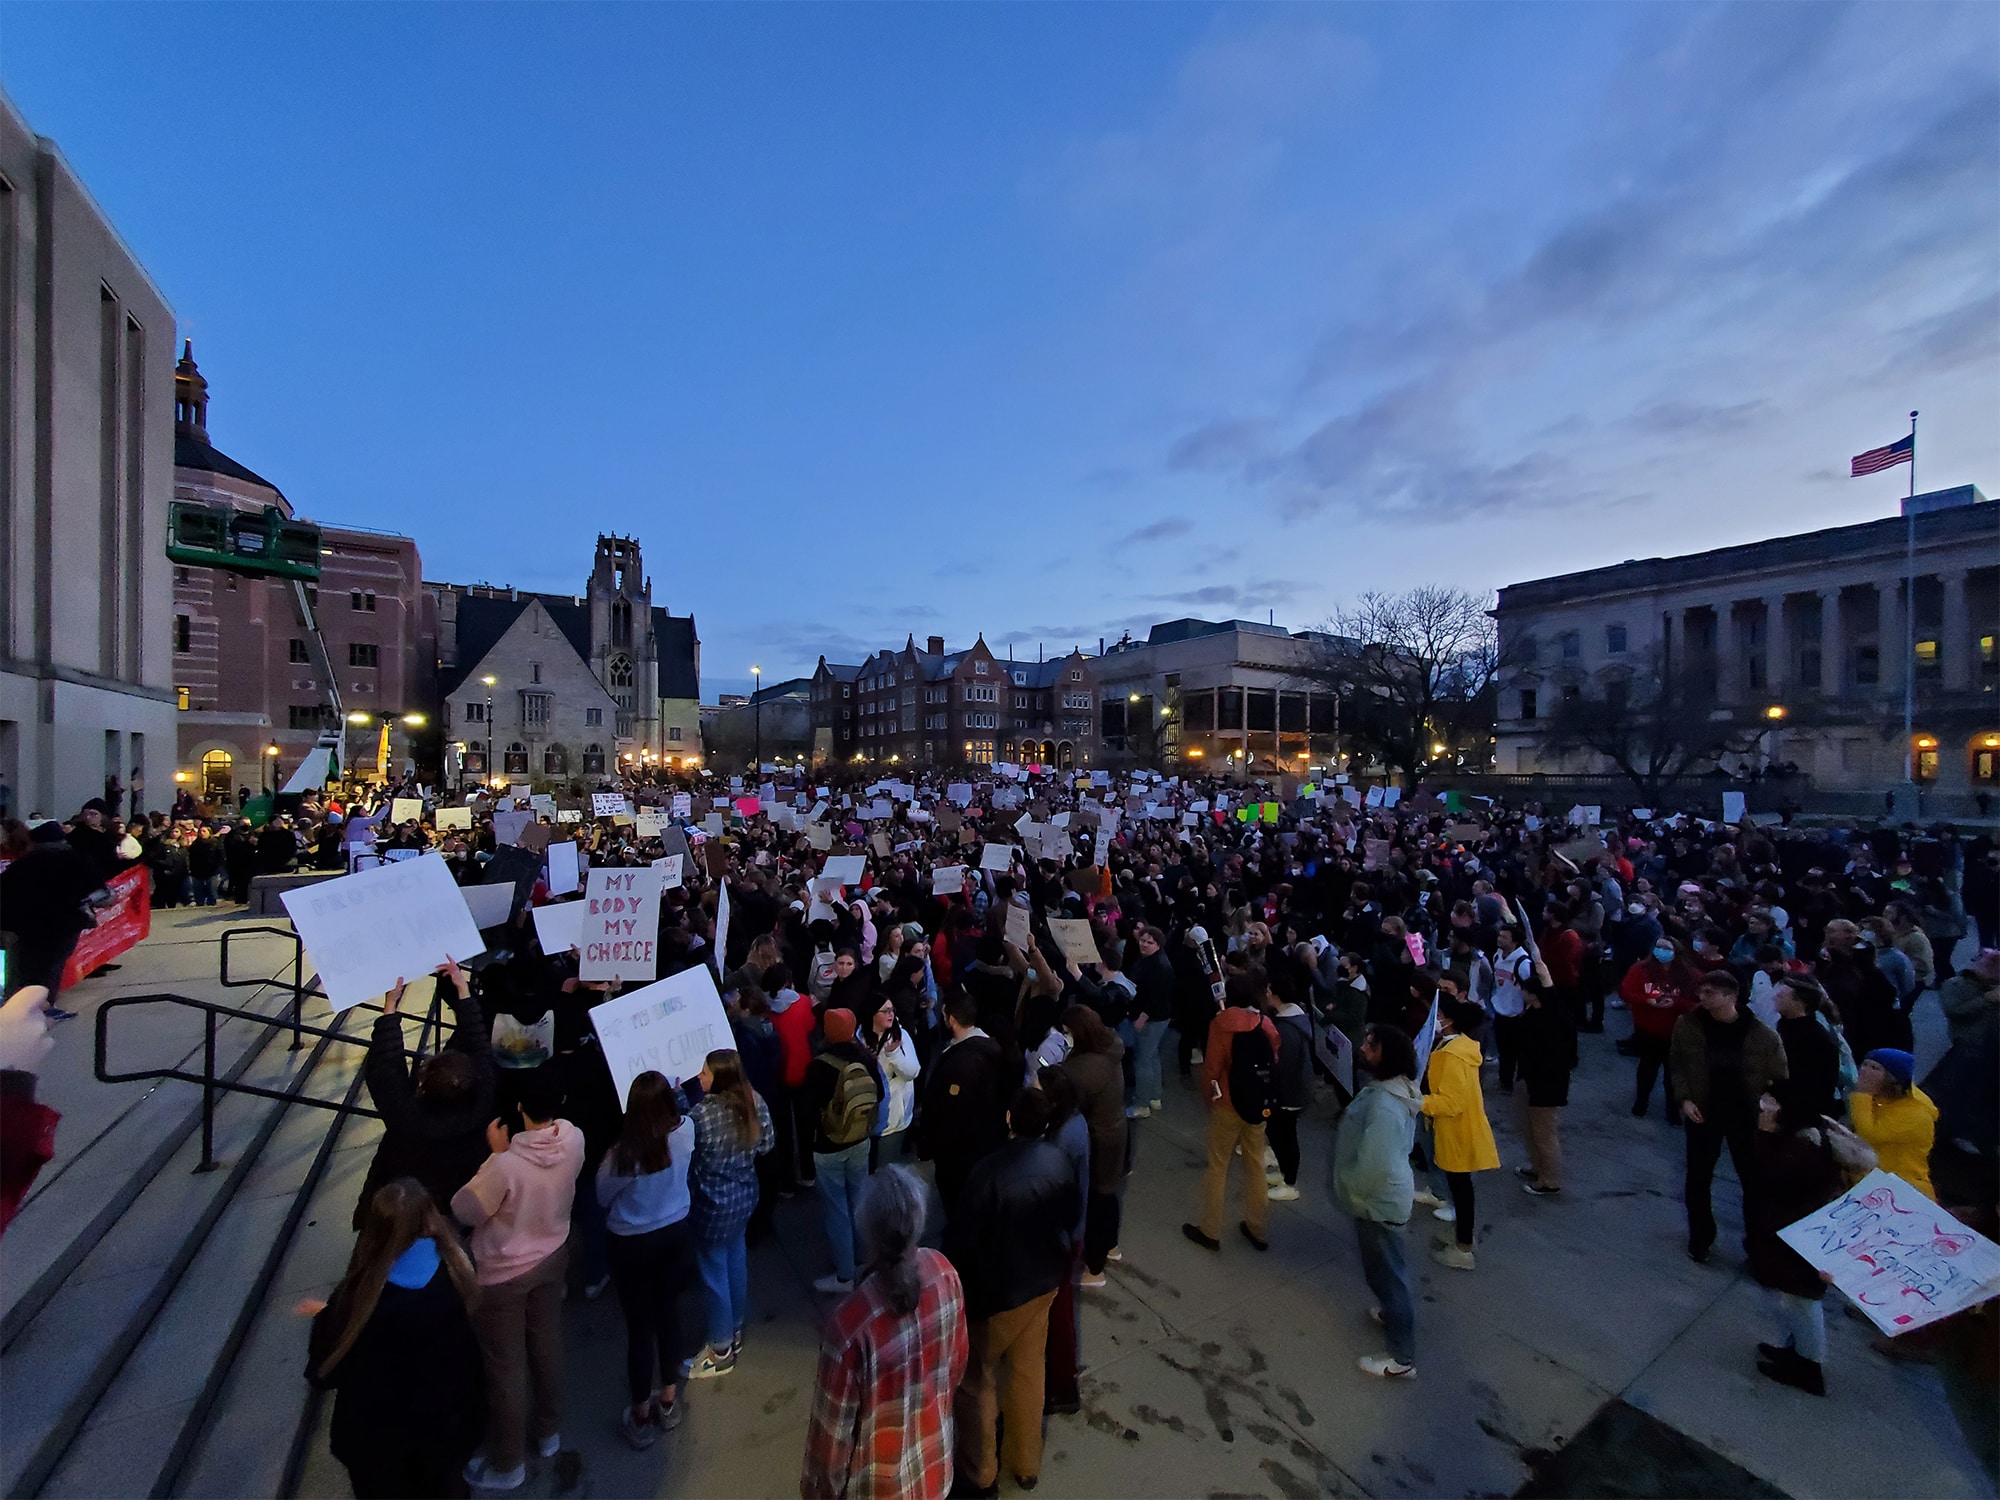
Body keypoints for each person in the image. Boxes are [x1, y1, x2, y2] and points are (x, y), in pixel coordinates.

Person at [305, 1178, 486, 1498]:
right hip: (444, 1426)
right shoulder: (458, 1270)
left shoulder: (358, 1299)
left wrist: (324, 1316)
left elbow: (325, 1371)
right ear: (430, 1219)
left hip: (379, 1441)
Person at [451, 1066, 586, 1491]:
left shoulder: (505, 1166)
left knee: (505, 1365)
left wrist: (496, 1153)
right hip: (553, 1253)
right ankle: (548, 1432)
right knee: (546, 1342)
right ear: (560, 1104)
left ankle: (508, 1462)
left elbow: (464, 1210)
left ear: (520, 1108)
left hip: (504, 1273)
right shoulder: (575, 1138)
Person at [944, 1087, 1081, 1498]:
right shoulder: (1058, 1161)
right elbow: (1070, 1217)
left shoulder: (989, 1172)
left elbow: (962, 1241)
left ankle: (981, 1470)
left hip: (998, 1294)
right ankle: (1026, 1462)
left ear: (1009, 1119)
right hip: (1043, 1284)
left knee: (978, 1379)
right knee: (1028, 1370)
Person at [801, 1165, 967, 1500]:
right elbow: (956, 1368)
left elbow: (831, 1438)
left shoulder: (850, 1326)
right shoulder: (945, 1273)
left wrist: (819, 1492)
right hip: (936, 1468)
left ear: (868, 1232)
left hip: (878, 1486)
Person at [594, 1070, 696, 1446]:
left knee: (640, 1328)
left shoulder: (623, 1154)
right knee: (669, 1315)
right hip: (676, 1233)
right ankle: (669, 1400)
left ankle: (640, 1414)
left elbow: (603, 1196)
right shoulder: (685, 1132)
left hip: (632, 1243)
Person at [356, 961, 494, 1228]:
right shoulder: (482, 1102)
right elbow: (481, 1048)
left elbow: (386, 1071)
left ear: (424, 1084)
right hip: (459, 1194)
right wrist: (463, 992)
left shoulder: (408, 1117)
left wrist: (390, 1008)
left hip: (411, 1199)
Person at [1670, 971, 1787, 1265]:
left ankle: (1756, 1244)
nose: (1703, 998)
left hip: (1744, 1116)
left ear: (1730, 996)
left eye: (1710, 993)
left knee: (1752, 1181)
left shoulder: (1762, 1035)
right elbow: (1677, 1064)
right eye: (1702, 992)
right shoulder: (1689, 1025)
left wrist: (1769, 1105)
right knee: (1698, 1178)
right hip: (1703, 1113)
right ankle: (1701, 1238)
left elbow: (1779, 1076)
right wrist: (1684, 1098)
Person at [1331, 1024, 1423, 1379]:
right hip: (1379, 1199)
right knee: (1384, 1270)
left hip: (1377, 1202)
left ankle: (1400, 1358)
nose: (1364, 1047)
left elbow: (1374, 1165)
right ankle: (1390, 1312)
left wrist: (1350, 1189)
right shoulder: (1391, 1091)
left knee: (1389, 1276)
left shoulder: (1385, 1106)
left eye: (1372, 1045)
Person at [1744, 1092, 1850, 1397]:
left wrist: (1763, 1136)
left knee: (1803, 1302)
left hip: (1799, 1238)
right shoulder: (1811, 1140)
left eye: (1772, 1103)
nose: (1765, 1107)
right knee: (1796, 1301)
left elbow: (1771, 1177)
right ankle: (1798, 1353)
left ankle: (1808, 1366)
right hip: (1798, 1234)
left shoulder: (1801, 1148)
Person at [688, 1048, 774, 1379]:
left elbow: (687, 1157)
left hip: (711, 1207)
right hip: (745, 1198)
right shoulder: (756, 1101)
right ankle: (735, 1329)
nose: (699, 1077)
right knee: (735, 1260)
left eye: (705, 1072)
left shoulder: (700, 1117)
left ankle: (721, 1348)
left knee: (713, 1274)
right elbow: (766, 1145)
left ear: (719, 1078)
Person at [1182, 970, 1281, 1255]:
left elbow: (1212, 1067)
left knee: (1218, 1165)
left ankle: (1210, 1229)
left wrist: (1208, 1097)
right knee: (1256, 1164)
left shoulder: (1222, 1024)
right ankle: (1258, 1228)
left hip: (1227, 1101)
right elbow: (1274, 1056)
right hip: (1257, 1104)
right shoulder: (1265, 1024)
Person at [801, 1007, 885, 1296]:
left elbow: (807, 1110)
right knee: (859, 1200)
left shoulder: (820, 1065)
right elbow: (880, 1095)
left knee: (836, 1209)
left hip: (828, 1145)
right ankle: (865, 1258)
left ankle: (844, 1274)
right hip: (861, 1140)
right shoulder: (866, 1058)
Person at [1420, 998, 1499, 1270]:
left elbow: (1451, 1102)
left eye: (1440, 1015)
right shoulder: (1459, 1047)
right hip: (1460, 1130)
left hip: (1457, 1132)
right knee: (1460, 1189)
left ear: (1450, 1020)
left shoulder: (1453, 1055)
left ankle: (1463, 1248)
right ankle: (1462, 1237)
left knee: (1461, 1190)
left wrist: (1419, 1102)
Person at [1054, 1005, 1126, 1287]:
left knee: (1096, 1201)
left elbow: (1064, 1089)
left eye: (1068, 1032)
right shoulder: (1109, 1045)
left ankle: (1094, 1269)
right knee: (1108, 1195)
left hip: (1100, 1139)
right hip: (1116, 1131)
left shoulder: (1086, 1068)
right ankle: (1111, 1246)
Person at [923, 992, 1008, 1217]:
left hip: (960, 1153)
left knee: (959, 1205)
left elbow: (950, 1112)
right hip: (983, 1143)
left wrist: (932, 1144)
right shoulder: (990, 1048)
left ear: (951, 1019)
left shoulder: (962, 1062)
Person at [1037, 1064, 1089, 1415]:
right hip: (1070, 1230)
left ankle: (1062, 1385)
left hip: (1061, 1234)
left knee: (1058, 1310)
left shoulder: (1063, 1137)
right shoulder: (1075, 1124)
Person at [1514, 959, 1575, 1198]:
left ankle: (1550, 1179)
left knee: (1544, 1132)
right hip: (1531, 1077)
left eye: (1525, 990)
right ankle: (1538, 1167)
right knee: (1529, 1127)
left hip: (1546, 1083)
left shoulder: (1552, 1016)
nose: (1521, 992)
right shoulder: (1537, 1011)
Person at [1622, 936, 1698, 1120]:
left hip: (1677, 1032)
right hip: (1648, 1029)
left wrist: (1676, 1002)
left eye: (1666, 948)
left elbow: (1697, 1004)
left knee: (1673, 1073)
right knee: (1647, 1068)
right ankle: (1641, 1101)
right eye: (1659, 947)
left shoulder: (1689, 974)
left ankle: (1673, 1108)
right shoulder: (1640, 970)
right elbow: (1626, 992)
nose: (1661, 951)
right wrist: (1646, 1001)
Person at [1849, 1049, 1937, 1201]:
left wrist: (1862, 1094)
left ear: (1893, 1078)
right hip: (1873, 1183)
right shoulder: (1880, 1099)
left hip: (1903, 1190)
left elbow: (1869, 1135)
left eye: (1874, 1068)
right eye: (1864, 1064)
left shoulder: (1915, 1113)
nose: (1864, 1071)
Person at [1770, 975, 1844, 1127]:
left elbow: (1816, 1084)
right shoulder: (1784, 1027)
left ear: (1798, 1002)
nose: (1775, 997)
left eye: (1781, 995)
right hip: (1780, 1106)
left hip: (1801, 1115)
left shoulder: (1815, 1038)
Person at [1264, 980, 1314, 1203]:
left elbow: (1282, 1066)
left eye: (1268, 990)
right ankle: (1285, 1173)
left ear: (1275, 996)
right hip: (1293, 1090)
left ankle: (1290, 1183)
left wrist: (1273, 1093)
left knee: (1284, 1136)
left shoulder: (1285, 1029)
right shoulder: (1295, 1020)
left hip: (1288, 1093)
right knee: (1280, 1134)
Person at [867, 993, 921, 1168]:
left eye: (892, 1010)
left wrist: (893, 1054)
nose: (891, 1014)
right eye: (885, 1011)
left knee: (886, 1171)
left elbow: (913, 1072)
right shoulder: (860, 1036)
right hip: (865, 1117)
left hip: (893, 1118)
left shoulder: (900, 1036)